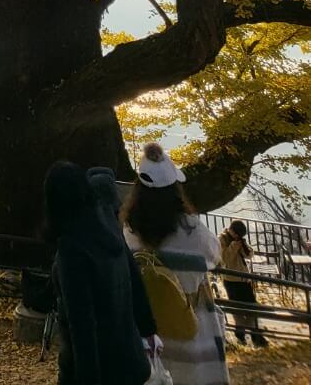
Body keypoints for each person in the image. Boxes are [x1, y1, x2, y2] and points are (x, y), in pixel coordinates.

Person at [123, 143, 230, 385]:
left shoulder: (130, 229)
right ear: (175, 190)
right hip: (190, 327)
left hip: (148, 327)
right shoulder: (192, 230)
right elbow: (214, 257)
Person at [45, 162, 156, 385]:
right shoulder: (110, 229)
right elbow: (135, 281)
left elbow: (82, 325)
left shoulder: (72, 247)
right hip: (130, 360)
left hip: (100, 370)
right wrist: (148, 330)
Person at [218, 221, 267, 347]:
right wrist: (234, 245)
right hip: (231, 280)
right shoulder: (222, 239)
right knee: (237, 310)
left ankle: (257, 337)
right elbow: (225, 259)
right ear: (232, 231)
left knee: (252, 307)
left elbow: (249, 255)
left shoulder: (239, 240)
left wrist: (244, 245)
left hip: (244, 279)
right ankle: (240, 336)